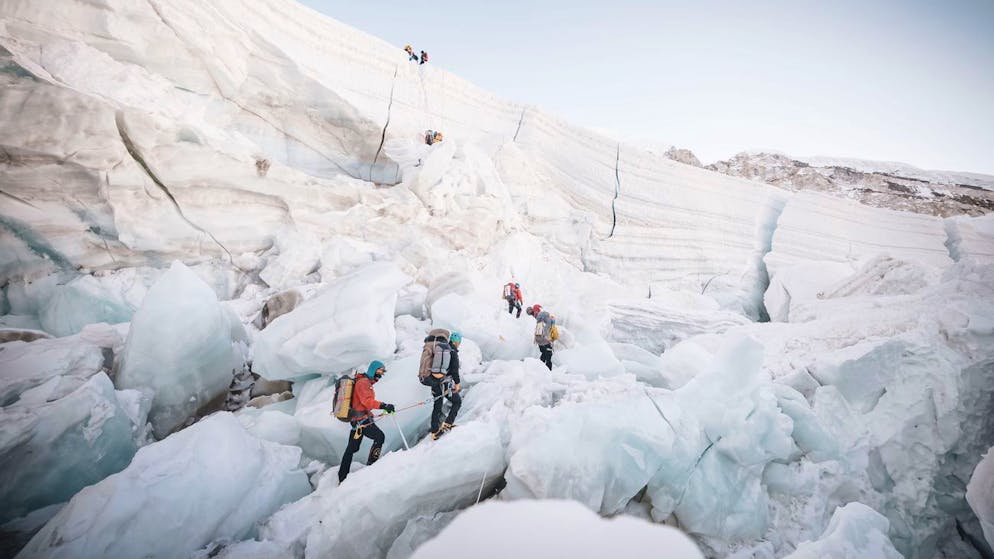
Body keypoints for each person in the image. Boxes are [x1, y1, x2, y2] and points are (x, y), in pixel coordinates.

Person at [338, 360, 395, 482]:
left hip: (358, 421)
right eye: (379, 371)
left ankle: (342, 477)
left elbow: (362, 404)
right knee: (380, 437)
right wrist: (384, 405)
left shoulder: (363, 381)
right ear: (373, 370)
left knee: (351, 449)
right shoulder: (364, 383)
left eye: (382, 372)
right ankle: (372, 466)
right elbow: (367, 401)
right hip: (361, 421)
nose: (380, 375)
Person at [428, 331, 462, 439]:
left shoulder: (442, 350)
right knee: (457, 401)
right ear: (457, 342)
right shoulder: (453, 352)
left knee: (437, 406)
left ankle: (434, 432)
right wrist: (457, 383)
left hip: (435, 382)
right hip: (445, 384)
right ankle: (448, 423)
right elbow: (455, 370)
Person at [526, 305, 554, 370]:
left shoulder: (539, 317)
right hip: (544, 340)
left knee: (544, 354)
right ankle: (547, 371)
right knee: (548, 355)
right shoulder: (542, 316)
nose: (533, 315)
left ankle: (540, 369)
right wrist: (546, 333)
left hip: (540, 340)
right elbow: (548, 324)